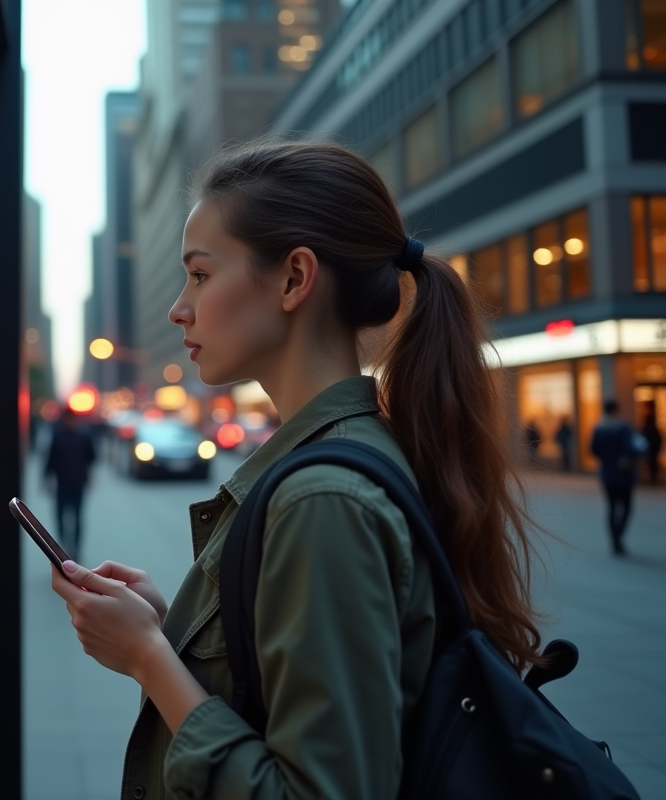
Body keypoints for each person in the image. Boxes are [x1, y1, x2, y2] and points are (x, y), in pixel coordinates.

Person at [48, 140, 544, 799]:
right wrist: (177, 631)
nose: (178, 307)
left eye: (199, 274)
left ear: (293, 279)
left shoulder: (321, 499)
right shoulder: (343, 463)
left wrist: (149, 657)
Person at [590, 400, 645, 555]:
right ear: (616, 410)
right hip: (624, 475)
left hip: (607, 474)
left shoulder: (599, 429)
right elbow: (635, 447)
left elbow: (594, 450)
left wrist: (607, 459)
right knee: (626, 508)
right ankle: (618, 538)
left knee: (612, 507)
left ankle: (614, 540)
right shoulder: (624, 428)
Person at [43, 406, 96, 556]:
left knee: (78, 518)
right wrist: (47, 479)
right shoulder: (58, 437)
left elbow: (91, 458)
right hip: (62, 485)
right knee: (60, 518)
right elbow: (50, 460)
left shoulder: (84, 437)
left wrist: (90, 477)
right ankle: (62, 549)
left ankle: (76, 549)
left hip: (78, 484)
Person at [643, 403, 662, 486]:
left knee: (651, 463)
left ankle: (652, 478)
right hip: (653, 449)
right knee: (653, 463)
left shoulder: (646, 429)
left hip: (650, 449)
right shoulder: (653, 429)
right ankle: (653, 478)